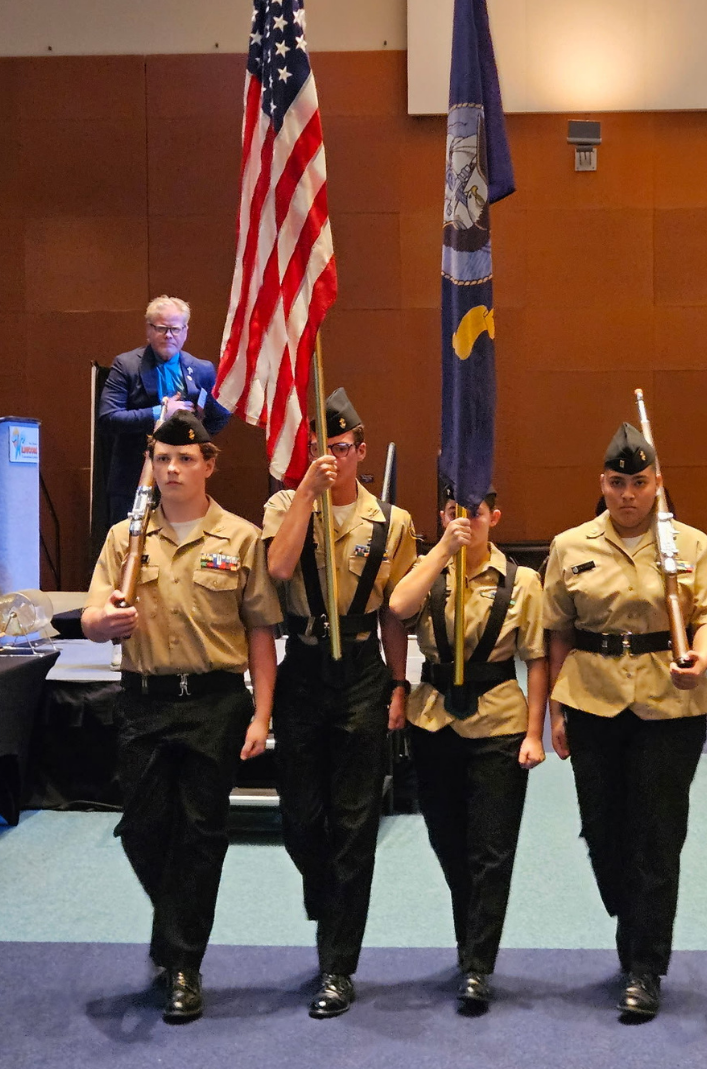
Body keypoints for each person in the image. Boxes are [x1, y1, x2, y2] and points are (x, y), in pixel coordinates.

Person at [81, 411, 281, 1023]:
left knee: (200, 836)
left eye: (186, 459)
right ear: (152, 464)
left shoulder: (240, 537)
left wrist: (262, 715)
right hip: (143, 699)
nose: (173, 469)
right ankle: (174, 930)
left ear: (209, 464)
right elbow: (91, 615)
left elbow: (260, 631)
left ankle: (184, 966)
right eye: (163, 459)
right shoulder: (125, 537)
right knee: (142, 830)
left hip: (214, 703)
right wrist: (104, 623)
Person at [543, 423, 707, 1022]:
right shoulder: (570, 546)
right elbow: (558, 633)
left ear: (657, 484)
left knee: (656, 832)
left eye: (640, 482)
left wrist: (699, 659)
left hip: (668, 705)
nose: (628, 493)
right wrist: (553, 710)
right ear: (603, 483)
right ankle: (633, 923)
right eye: (618, 482)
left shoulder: (691, 546)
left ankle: (645, 965)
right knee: (603, 832)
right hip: (593, 698)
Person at [264, 388, 418, 1019]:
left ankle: (337, 963)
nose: (334, 457)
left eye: (343, 447)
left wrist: (399, 685)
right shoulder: (284, 503)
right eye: (321, 449)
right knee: (301, 819)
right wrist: (305, 491)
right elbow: (277, 568)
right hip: (301, 666)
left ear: (360, 449)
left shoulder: (393, 523)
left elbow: (395, 615)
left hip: (360, 672)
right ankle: (328, 902)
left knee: (355, 824)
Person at [389, 492, 548, 1013]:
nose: (466, 520)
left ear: (494, 517)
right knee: (448, 843)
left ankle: (479, 963)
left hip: (498, 721)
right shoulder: (427, 569)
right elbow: (397, 609)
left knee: (491, 850)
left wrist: (534, 732)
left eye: (475, 512)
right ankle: (469, 939)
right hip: (433, 720)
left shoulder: (520, 581)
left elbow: (538, 659)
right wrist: (440, 551)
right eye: (454, 511)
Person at [99, 296, 230, 525]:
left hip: (184, 481)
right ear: (149, 330)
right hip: (133, 479)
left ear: (185, 331)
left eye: (175, 329)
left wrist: (196, 440)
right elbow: (109, 418)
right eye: (161, 328)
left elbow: (221, 414)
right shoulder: (126, 365)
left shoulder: (201, 369)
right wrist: (160, 413)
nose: (169, 335)